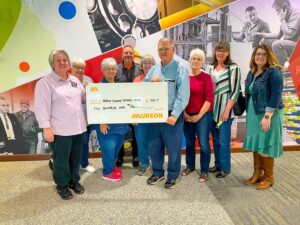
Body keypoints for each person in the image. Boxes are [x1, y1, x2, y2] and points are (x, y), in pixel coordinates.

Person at [35, 50, 87, 200]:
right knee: (61, 160)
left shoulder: (75, 81)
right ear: (52, 63)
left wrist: (91, 92)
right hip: (60, 130)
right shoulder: (44, 83)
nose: (63, 62)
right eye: (59, 60)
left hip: (78, 128)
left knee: (75, 158)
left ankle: (74, 181)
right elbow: (41, 107)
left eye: (65, 60)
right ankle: (62, 186)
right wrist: (46, 128)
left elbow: (82, 99)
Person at [144, 38, 190, 189]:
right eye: (160, 49)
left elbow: (183, 94)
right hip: (154, 114)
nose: (163, 52)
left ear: (173, 50)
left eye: (166, 49)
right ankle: (157, 172)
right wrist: (150, 84)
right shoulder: (153, 69)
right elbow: (142, 89)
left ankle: (172, 175)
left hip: (171, 115)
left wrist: (175, 114)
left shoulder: (180, 68)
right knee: (153, 145)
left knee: (173, 148)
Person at [243, 44, 284, 190]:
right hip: (254, 114)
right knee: (257, 144)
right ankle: (257, 173)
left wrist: (267, 116)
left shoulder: (274, 73)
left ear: (269, 56)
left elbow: (276, 95)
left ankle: (269, 177)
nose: (260, 57)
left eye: (263, 54)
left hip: (267, 114)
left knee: (265, 144)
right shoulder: (252, 72)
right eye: (257, 54)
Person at [204, 42, 241, 178]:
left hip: (225, 111)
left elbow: (235, 91)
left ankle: (225, 168)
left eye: (223, 51)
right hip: (211, 111)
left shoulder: (233, 68)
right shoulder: (209, 68)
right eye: (218, 50)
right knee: (215, 140)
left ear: (228, 53)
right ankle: (218, 164)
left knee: (224, 140)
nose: (220, 53)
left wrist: (226, 111)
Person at [182, 48, 214, 183]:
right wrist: (184, 113)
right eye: (193, 58)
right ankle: (190, 166)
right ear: (189, 60)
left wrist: (199, 116)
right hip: (186, 115)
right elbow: (180, 97)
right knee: (189, 143)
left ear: (202, 62)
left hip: (203, 115)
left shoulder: (206, 77)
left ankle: (204, 171)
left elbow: (209, 99)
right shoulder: (183, 77)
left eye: (198, 59)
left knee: (203, 144)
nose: (195, 61)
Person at [98, 57, 130, 181]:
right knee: (109, 149)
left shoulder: (118, 85)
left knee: (116, 148)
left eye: (113, 69)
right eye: (108, 69)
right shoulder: (99, 86)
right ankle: (107, 172)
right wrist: (102, 122)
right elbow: (97, 106)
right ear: (103, 70)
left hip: (120, 125)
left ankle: (111, 167)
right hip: (107, 125)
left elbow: (124, 104)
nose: (111, 71)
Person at [71, 57, 98, 173]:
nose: (80, 70)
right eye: (77, 67)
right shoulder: (68, 81)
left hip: (87, 118)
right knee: (72, 143)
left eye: (82, 68)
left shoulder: (89, 80)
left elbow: (94, 97)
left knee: (85, 142)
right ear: (71, 68)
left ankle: (84, 164)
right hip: (72, 119)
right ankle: (72, 165)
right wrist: (84, 91)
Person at [115, 45, 140, 168]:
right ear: (122, 55)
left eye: (130, 53)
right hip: (121, 107)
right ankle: (120, 157)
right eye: (126, 53)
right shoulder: (116, 69)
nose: (128, 55)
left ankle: (136, 156)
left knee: (136, 133)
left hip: (136, 106)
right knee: (121, 132)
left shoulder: (140, 69)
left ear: (133, 55)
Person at [254, 0, 300, 66]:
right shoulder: (286, 16)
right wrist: (261, 34)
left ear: (285, 7)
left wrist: (282, 19)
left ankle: (285, 70)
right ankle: (269, 65)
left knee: (277, 44)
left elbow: (289, 35)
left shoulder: (296, 14)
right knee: (264, 41)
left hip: (297, 47)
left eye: (278, 10)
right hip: (289, 45)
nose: (277, 13)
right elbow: (278, 35)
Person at [133, 54, 156, 176]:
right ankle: (144, 164)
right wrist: (133, 116)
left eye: (150, 63)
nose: (147, 65)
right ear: (141, 66)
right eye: (145, 63)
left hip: (155, 117)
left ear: (154, 65)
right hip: (140, 117)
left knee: (155, 141)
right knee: (141, 141)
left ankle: (157, 163)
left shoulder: (158, 79)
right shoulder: (136, 81)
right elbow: (132, 100)